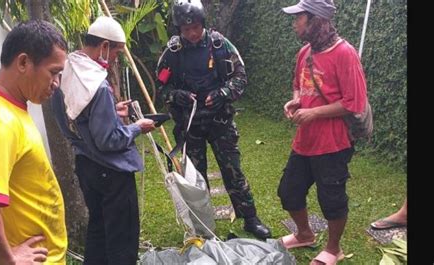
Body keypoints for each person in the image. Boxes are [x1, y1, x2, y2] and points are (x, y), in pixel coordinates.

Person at [155, 0, 272, 240]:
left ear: (203, 24)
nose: (192, 34)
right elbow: (162, 87)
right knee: (196, 177)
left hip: (221, 123)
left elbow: (241, 77)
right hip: (190, 126)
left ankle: (250, 218)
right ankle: (203, 222)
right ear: (179, 30)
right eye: (186, 30)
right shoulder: (172, 53)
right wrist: (177, 96)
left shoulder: (220, 45)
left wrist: (223, 93)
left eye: (195, 28)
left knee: (233, 172)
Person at [51, 16, 155, 265]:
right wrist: (137, 128)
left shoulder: (66, 70)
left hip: (86, 167)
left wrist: (111, 110)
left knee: (98, 229)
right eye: (117, 53)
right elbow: (108, 140)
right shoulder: (97, 84)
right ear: (105, 46)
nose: (115, 59)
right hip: (112, 173)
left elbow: (75, 120)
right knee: (122, 238)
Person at [276, 0, 369, 264]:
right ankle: (305, 234)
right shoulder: (305, 52)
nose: (294, 24)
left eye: (298, 18)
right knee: (288, 191)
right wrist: (295, 101)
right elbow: (298, 85)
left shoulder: (345, 53)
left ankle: (333, 249)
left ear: (315, 20)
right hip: (305, 140)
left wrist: (314, 112)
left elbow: (355, 102)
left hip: (334, 143)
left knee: (332, 199)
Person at [0, 20, 68, 264]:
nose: (56, 83)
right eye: (53, 72)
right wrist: (9, 260)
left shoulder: (14, 111)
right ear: (23, 62)